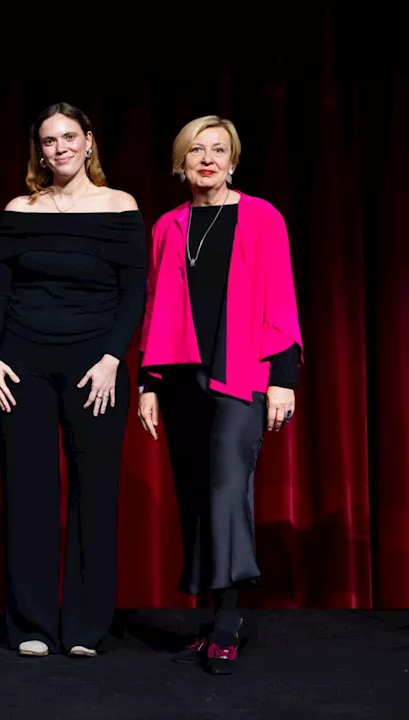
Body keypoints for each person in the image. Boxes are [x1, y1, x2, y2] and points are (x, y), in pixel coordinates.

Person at [137, 115, 302, 676]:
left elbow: (281, 296)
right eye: (196, 150)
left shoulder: (262, 217)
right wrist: (148, 383)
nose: (207, 159)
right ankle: (212, 616)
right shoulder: (167, 226)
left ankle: (229, 620)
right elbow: (157, 304)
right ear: (181, 162)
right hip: (181, 375)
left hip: (243, 373)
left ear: (233, 161)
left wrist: (284, 376)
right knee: (194, 494)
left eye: (218, 150)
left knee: (227, 489)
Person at [0, 102, 145, 659]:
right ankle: (30, 622)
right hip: (21, 362)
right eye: (50, 141)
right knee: (27, 492)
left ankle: (84, 627)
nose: (61, 148)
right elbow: (1, 290)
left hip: (94, 366)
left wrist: (112, 358)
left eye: (70, 137)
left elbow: (134, 294)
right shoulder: (19, 209)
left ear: (89, 141)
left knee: (93, 493)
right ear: (40, 150)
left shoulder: (119, 206)